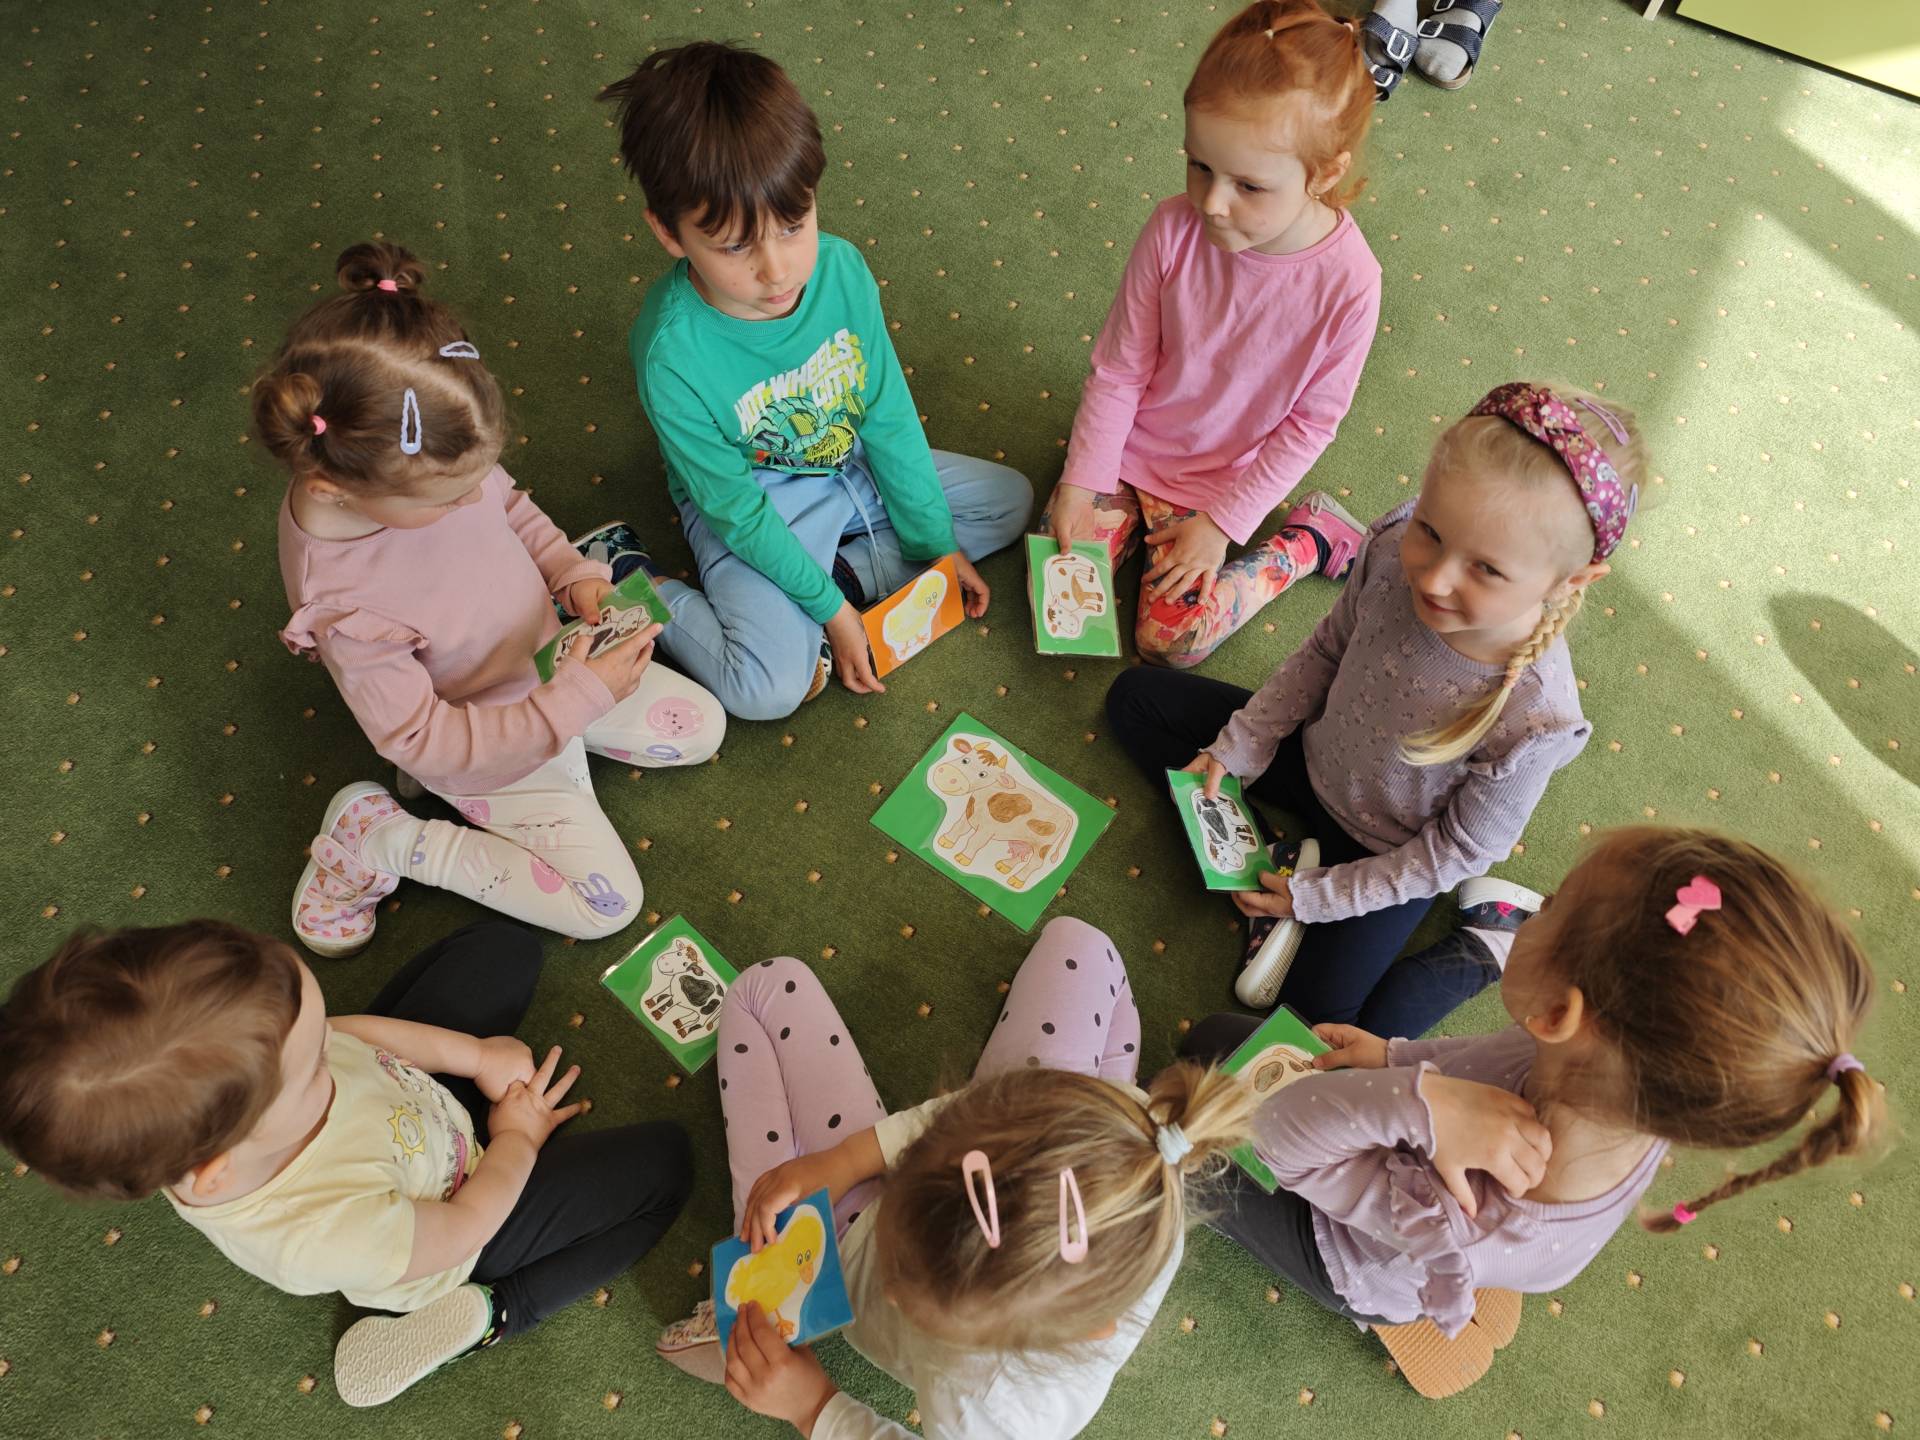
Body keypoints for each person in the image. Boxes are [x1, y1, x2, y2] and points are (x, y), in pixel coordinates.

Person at [1177, 826, 1883, 1396]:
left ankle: (1402, 1299)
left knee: (1186, 1107)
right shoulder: (1622, 1075)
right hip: (1398, 1176)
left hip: (1348, 1242)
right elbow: (1476, 1054)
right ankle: (1472, 1276)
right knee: (1220, 1040)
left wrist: (1419, 1103)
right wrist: (1393, 1057)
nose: (1534, 910)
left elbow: (1277, 1136)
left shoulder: (1471, 1212)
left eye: (1546, 909)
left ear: (1557, 1013)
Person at [1108, 381, 1646, 1023]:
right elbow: (1325, 652)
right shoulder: (1393, 549)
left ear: (1571, 581)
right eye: (1431, 531)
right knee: (1134, 700)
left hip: (1392, 850)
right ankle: (1277, 857)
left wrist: (1320, 898)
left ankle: (1488, 941)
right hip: (1315, 760)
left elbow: (1453, 853)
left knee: (1317, 1027)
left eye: (1486, 569)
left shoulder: (1537, 719)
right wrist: (1242, 745)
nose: (1434, 578)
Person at [0, 919, 695, 1406]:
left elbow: (356, 1038)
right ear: (216, 1167)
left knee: (504, 949)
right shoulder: (316, 1230)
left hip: (410, 1111)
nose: (327, 1053)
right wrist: (517, 1139)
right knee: (665, 1165)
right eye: (311, 1069)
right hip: (449, 1230)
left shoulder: (233, 1078)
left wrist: (475, 1056)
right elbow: (464, 1225)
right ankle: (496, 1313)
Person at [259, 241, 724, 955]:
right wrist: (573, 704)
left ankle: (563, 729)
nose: (473, 497)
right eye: (449, 497)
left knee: (703, 727)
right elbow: (424, 740)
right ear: (334, 489)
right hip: (479, 741)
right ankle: (380, 838)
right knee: (607, 907)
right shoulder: (344, 607)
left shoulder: (428, 451)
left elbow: (511, 510)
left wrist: (572, 576)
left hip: (547, 662)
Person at [654, 917, 1255, 1438]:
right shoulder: (1140, 1149)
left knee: (759, 990)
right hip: (1060, 1139)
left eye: (905, 1288)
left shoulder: (986, 1411)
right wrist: (846, 1160)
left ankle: (755, 1301)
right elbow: (960, 1115)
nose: (894, 1292)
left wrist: (813, 1406)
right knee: (1080, 941)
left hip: (855, 1251)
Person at [598, 41, 1032, 721]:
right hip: (757, 499)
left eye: (793, 226)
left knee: (1008, 503)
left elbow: (886, 414)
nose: (777, 271)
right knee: (764, 691)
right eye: (735, 246)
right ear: (671, 233)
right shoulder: (670, 355)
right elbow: (735, 510)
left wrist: (939, 548)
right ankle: (628, 577)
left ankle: (840, 573)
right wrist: (832, 612)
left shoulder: (843, 271)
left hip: (848, 460)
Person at [1047, 0, 1382, 668]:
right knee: (1058, 592)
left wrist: (1224, 524)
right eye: (1199, 166)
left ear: (1325, 174)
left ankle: (1306, 543)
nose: (1212, 203)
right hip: (1130, 453)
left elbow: (1309, 426)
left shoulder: (1351, 285)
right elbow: (1120, 370)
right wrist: (1081, 483)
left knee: (1172, 643)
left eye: (1249, 186)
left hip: (1217, 489)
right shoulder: (1172, 229)